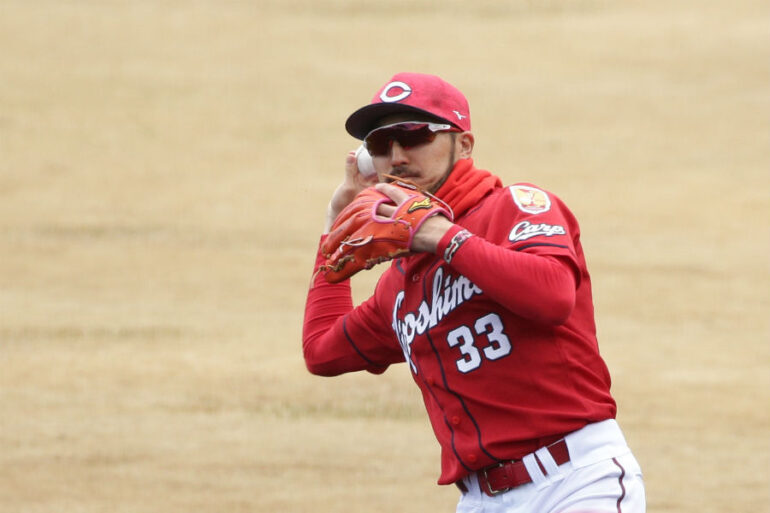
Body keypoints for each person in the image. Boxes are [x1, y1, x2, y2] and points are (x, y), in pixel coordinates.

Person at [302, 72, 646, 513]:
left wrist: (441, 237)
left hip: (575, 482)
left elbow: (553, 296)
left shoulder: (516, 206)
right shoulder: (402, 280)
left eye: (415, 135)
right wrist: (334, 231)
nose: (398, 156)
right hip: (482, 501)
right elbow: (322, 352)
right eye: (381, 144)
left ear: (463, 145)